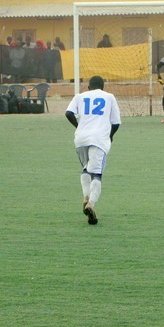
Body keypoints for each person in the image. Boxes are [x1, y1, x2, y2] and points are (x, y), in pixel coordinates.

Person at [65, 75, 121, 225]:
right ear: (103, 87)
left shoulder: (79, 96)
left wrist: (79, 127)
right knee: (96, 173)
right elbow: (116, 123)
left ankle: (85, 196)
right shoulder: (109, 97)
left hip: (81, 138)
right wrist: (110, 136)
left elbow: (68, 113)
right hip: (99, 139)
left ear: (88, 87)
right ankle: (91, 203)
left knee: (86, 169)